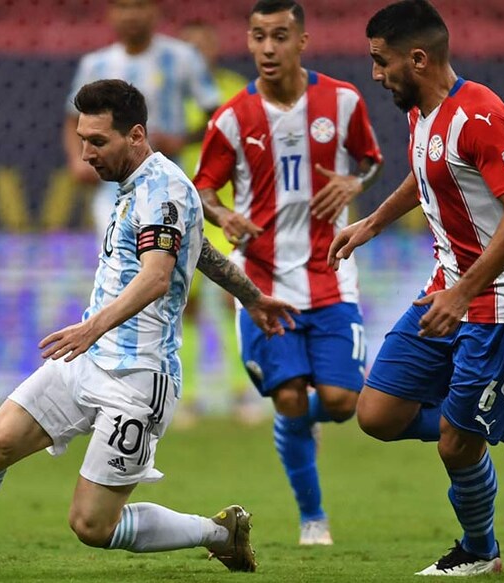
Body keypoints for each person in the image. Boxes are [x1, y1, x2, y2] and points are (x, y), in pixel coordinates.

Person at [0, 79, 300, 576]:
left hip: (138, 378)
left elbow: (158, 276)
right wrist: (250, 296)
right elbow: (197, 249)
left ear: (136, 135)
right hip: (88, 361)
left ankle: (219, 533)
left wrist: (91, 329)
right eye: (82, 139)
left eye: (97, 142)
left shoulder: (162, 190)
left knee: (92, 526)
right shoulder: (138, 184)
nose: (84, 154)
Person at [328, 1, 504, 575]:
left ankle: (481, 552)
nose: (376, 76)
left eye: (381, 63)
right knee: (378, 414)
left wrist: (463, 296)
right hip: (446, 291)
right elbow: (427, 172)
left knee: (456, 445)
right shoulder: (422, 112)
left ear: (418, 58)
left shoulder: (480, 115)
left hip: (501, 305)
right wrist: (372, 223)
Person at [192, 0, 384, 546]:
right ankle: (312, 518)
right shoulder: (231, 118)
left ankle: (294, 420)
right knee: (293, 398)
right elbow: (203, 188)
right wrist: (224, 213)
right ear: (249, 42)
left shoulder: (342, 101)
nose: (268, 48)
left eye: (279, 36)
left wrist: (355, 184)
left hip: (331, 274)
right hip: (262, 281)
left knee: (344, 404)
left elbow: (371, 160)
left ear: (302, 41)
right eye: (258, 37)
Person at [62, 0, 220, 231]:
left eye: (139, 6)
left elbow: (216, 115)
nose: (131, 15)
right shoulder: (96, 64)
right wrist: (77, 160)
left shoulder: (182, 57)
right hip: (112, 189)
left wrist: (182, 140)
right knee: (117, 261)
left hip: (169, 182)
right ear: (112, 13)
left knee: (162, 260)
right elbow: (73, 118)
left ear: (155, 11)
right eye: (123, 7)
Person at [176, 19, 253, 425]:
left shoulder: (233, 89)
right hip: (181, 211)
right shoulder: (169, 94)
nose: (197, 56)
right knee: (183, 306)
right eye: (190, 48)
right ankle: (186, 397)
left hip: (224, 209)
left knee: (233, 299)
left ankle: (242, 393)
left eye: (202, 47)